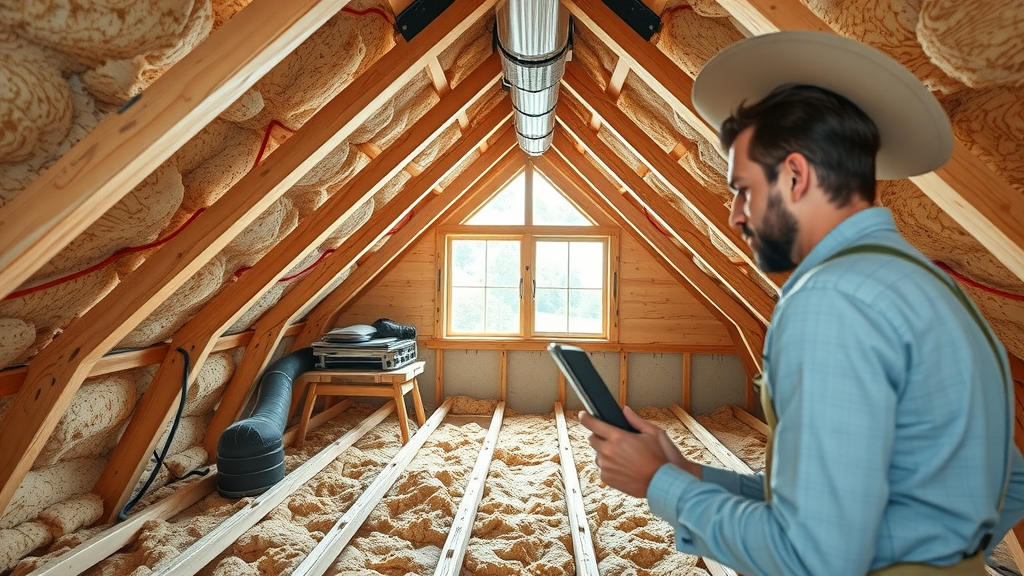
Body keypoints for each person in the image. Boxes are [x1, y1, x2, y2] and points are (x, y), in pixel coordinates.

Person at [580, 31, 1024, 575]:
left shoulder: (830, 302)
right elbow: (1010, 484)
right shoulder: (935, 289)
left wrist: (659, 483)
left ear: (795, 175)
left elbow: (811, 558)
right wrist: (690, 473)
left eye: (744, 189)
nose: (735, 216)